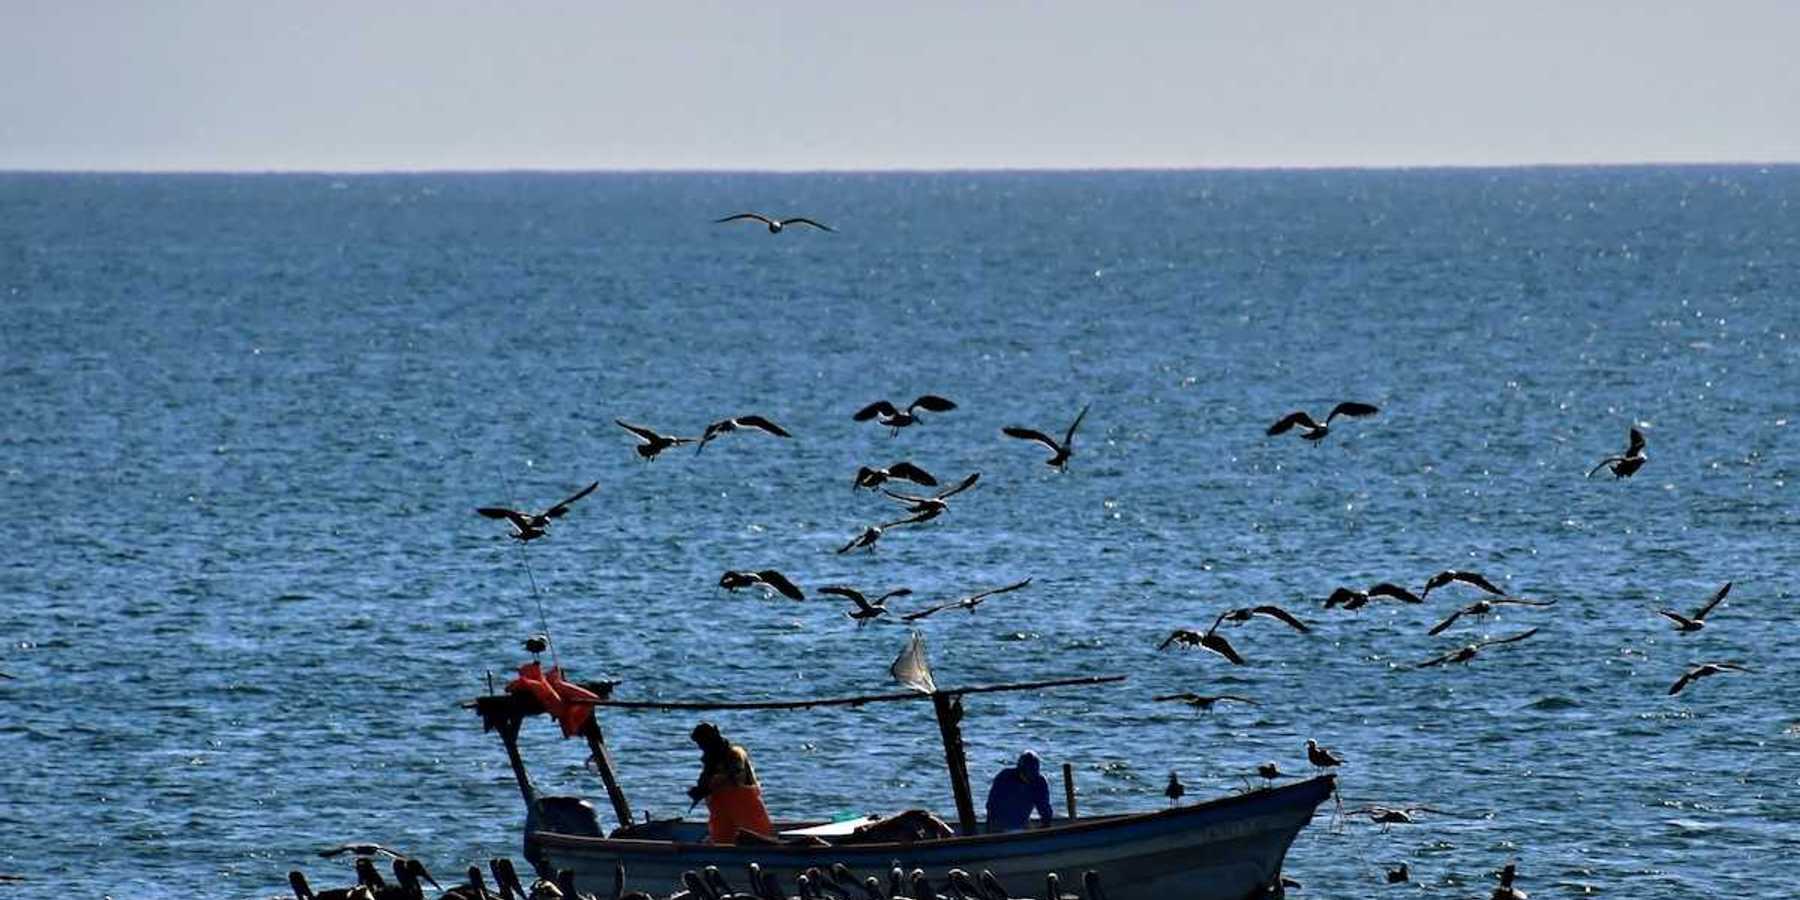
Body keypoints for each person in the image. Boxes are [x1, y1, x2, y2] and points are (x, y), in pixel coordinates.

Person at [686, 721, 774, 844]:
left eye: (704, 742)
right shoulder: (710, 758)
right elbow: (705, 780)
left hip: (743, 801)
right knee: (721, 837)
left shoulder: (734, 753)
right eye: (700, 743)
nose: (702, 746)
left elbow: (734, 776)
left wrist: (710, 786)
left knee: (756, 834)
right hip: (721, 805)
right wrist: (699, 790)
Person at [984, 750, 1054, 833]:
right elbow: (992, 805)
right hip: (1000, 825)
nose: (1029, 779)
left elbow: (1044, 808)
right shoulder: (1004, 778)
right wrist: (990, 830)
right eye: (1026, 775)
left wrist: (1045, 828)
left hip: (1022, 824)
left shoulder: (1039, 782)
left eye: (1032, 776)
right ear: (1019, 770)